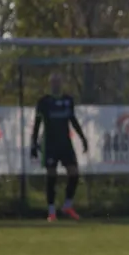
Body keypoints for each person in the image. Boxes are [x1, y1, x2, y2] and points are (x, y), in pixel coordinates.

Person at [31, 72, 89, 222]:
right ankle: (51, 212)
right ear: (50, 84)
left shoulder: (68, 100)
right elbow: (37, 124)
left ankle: (67, 206)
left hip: (65, 143)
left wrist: (83, 138)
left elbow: (73, 120)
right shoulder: (44, 102)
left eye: (58, 81)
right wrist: (33, 144)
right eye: (54, 82)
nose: (56, 84)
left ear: (61, 83)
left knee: (74, 173)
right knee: (52, 175)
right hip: (50, 143)